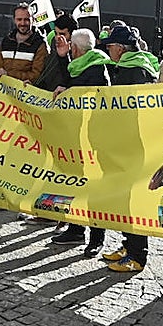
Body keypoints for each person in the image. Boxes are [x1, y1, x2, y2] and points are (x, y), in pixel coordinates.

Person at [99, 25, 160, 273]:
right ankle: (128, 245)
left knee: (132, 200)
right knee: (124, 199)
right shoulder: (135, 66)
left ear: (121, 48)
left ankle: (137, 255)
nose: (108, 50)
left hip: (132, 144)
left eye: (111, 46)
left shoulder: (133, 70)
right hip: (128, 141)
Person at [49, 28, 110, 253]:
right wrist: (62, 56)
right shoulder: (79, 63)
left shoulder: (96, 68)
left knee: (94, 188)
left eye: (70, 49)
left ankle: (97, 238)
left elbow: (91, 93)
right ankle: (75, 230)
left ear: (76, 49)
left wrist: (70, 90)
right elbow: (67, 79)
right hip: (76, 135)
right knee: (75, 182)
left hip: (94, 137)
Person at [0, 2, 47, 85]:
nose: (22, 23)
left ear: (33, 20)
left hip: (25, 93)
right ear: (14, 20)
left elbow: (36, 75)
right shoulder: (6, 41)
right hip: (3, 91)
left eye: (26, 19)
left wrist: (9, 75)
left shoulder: (40, 44)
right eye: (19, 19)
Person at [32, 14, 76, 93]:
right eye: (56, 33)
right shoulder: (53, 50)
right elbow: (46, 76)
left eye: (62, 34)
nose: (58, 38)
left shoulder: (79, 54)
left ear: (72, 35)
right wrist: (32, 87)